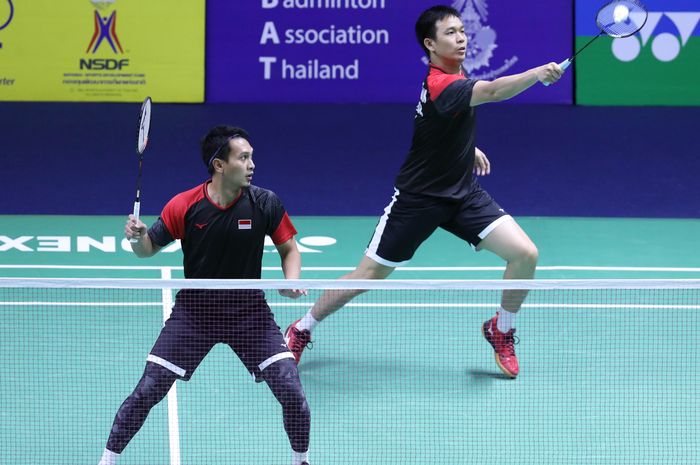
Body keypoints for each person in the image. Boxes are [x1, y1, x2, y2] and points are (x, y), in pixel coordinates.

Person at [284, 5, 563, 379]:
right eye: (451, 33)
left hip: (463, 194)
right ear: (430, 44)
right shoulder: (441, 83)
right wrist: (537, 73)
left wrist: (465, 149)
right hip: (418, 199)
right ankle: (302, 328)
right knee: (367, 275)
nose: (461, 37)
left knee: (525, 254)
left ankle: (502, 328)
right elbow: (493, 91)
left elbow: (441, 123)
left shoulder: (454, 73)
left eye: (463, 31)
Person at [98, 125, 312, 465]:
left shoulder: (264, 203)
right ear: (219, 165)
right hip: (196, 314)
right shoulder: (185, 205)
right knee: (149, 389)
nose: (252, 164)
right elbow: (148, 249)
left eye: (251, 157)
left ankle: (301, 461)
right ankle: (106, 460)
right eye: (244, 158)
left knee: (291, 389)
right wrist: (138, 237)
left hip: (249, 313)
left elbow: (289, 249)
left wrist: (291, 280)